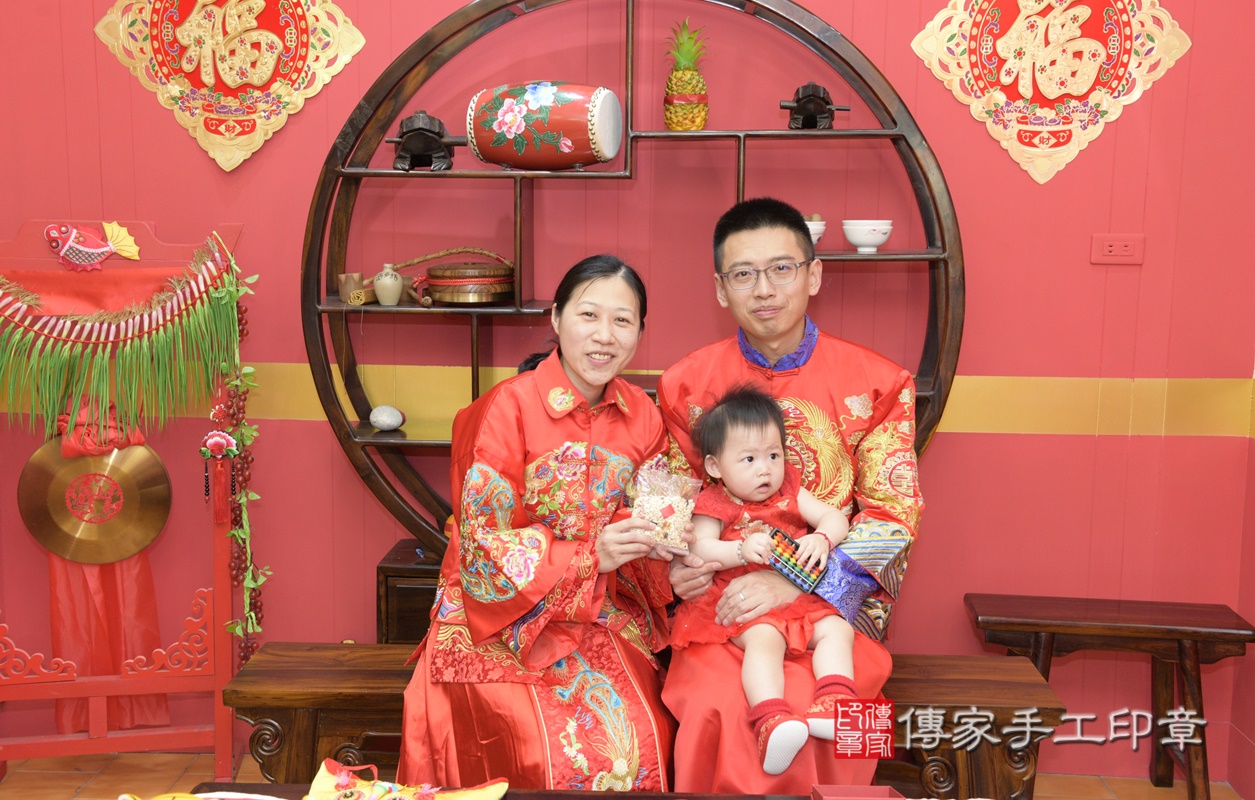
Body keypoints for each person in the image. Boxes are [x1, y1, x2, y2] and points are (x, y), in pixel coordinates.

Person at [659, 198, 923, 791]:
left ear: (814, 274)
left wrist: (798, 582)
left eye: (782, 268)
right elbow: (671, 508)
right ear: (721, 289)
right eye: (743, 274)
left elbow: (894, 515)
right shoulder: (684, 386)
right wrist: (678, 570)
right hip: (726, 610)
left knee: (845, 706)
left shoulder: (879, 384)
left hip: (833, 609)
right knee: (717, 702)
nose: (764, 289)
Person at [398, 255, 679, 791]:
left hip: (600, 608)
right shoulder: (506, 407)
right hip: (494, 615)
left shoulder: (643, 416)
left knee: (639, 736)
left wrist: (663, 547)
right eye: (588, 315)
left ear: (641, 332)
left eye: (622, 320)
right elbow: (485, 544)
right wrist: (592, 555)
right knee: (531, 742)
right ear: (556, 317)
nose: (604, 335)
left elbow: (655, 513)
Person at [670, 386, 857, 776]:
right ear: (715, 466)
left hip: (801, 594)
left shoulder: (790, 490)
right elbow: (700, 548)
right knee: (766, 638)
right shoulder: (714, 502)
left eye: (774, 455)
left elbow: (835, 517)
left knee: (839, 630)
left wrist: (822, 537)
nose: (765, 469)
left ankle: (837, 701)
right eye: (749, 459)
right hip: (738, 602)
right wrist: (739, 551)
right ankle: (771, 720)